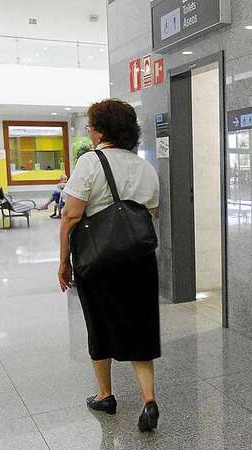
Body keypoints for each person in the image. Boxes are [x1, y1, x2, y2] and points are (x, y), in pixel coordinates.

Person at [58, 99, 161, 432]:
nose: (89, 132)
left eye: (90, 126)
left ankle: (105, 395)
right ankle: (148, 399)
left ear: (100, 130)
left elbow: (71, 215)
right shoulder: (145, 167)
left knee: (99, 324)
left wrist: (64, 261)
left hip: (98, 258)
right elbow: (151, 212)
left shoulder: (90, 162)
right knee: (140, 325)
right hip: (140, 259)